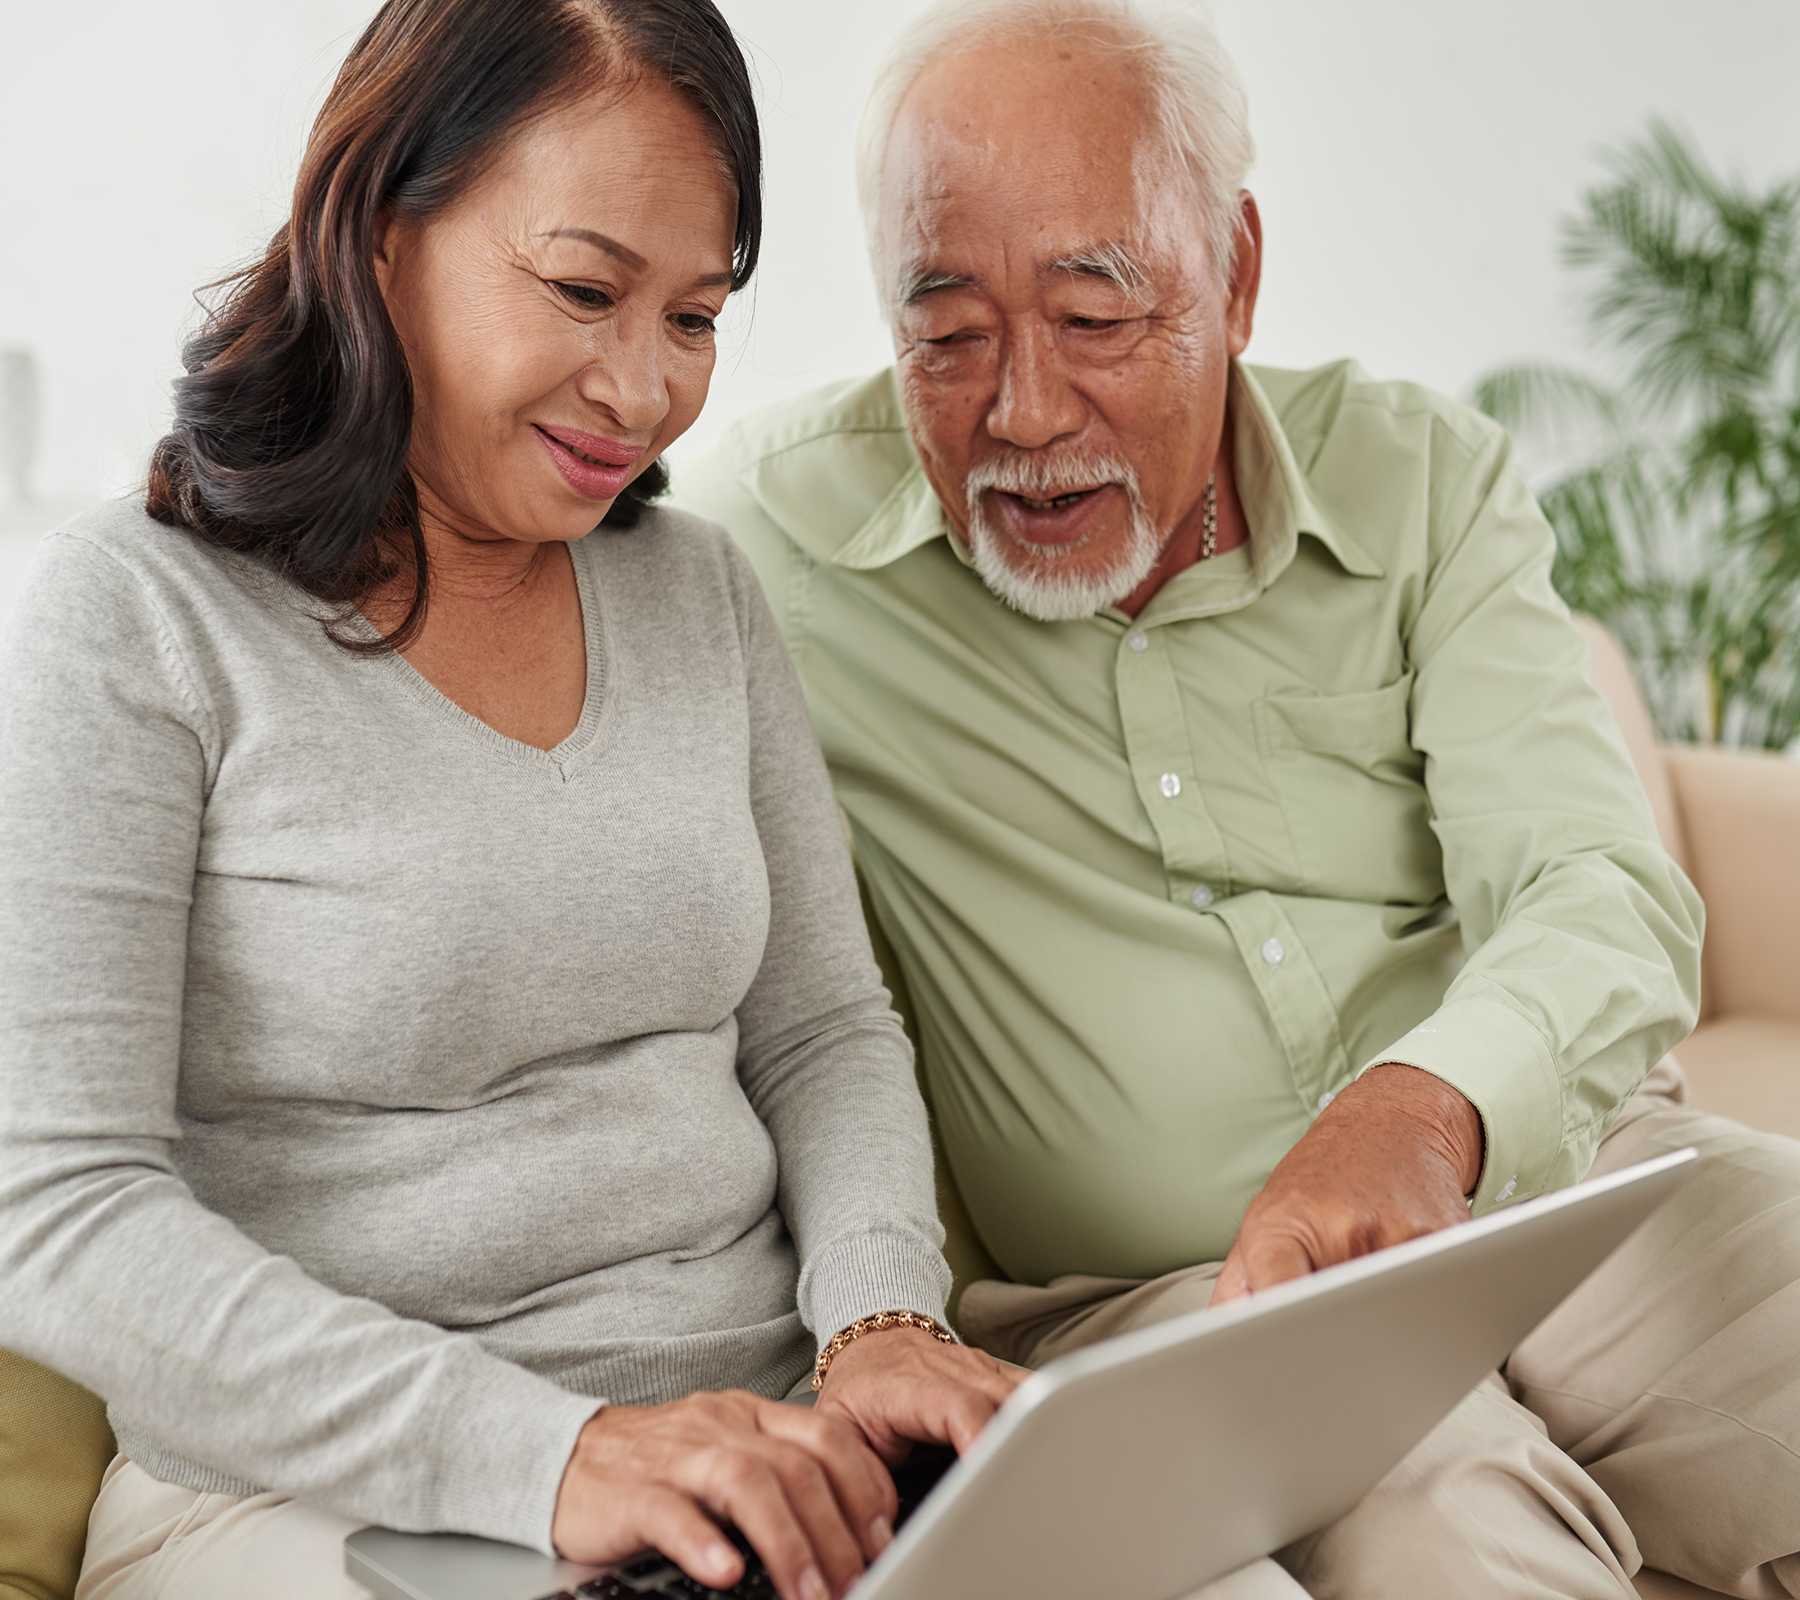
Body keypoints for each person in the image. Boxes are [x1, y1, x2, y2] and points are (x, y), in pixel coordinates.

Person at [676, 2, 1800, 1595]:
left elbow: (1600, 889)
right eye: (948, 332)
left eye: (1095, 314)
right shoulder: (752, 558)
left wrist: (1418, 1117)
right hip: (1155, 1304)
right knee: (1456, 1540)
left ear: (1238, 273)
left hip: (1557, 1187)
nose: (1024, 413)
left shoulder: (1424, 483)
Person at [0, 4, 1021, 1598]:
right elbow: (55, 1211)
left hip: (765, 1444)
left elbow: (821, 1025)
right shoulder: (136, 617)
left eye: (694, 315)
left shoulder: (698, 595)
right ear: (381, 228)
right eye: (585, 289)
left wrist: (883, 1318)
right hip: (316, 1502)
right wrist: (555, 1458)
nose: (643, 386)